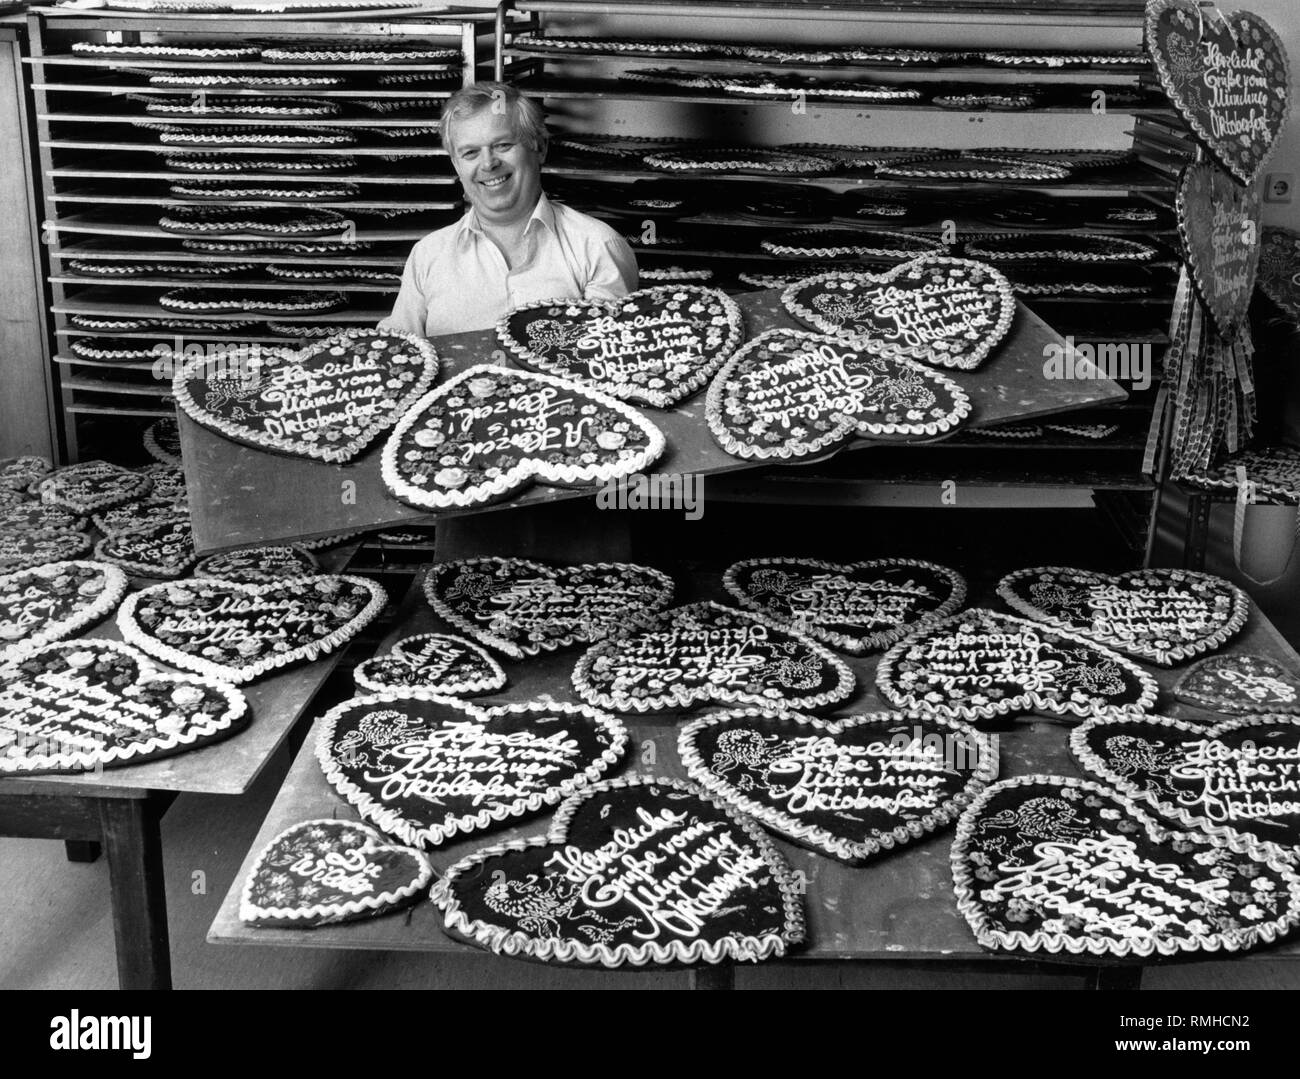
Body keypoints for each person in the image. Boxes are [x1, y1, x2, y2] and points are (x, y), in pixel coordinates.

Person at [378, 82, 638, 337]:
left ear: (540, 148)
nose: (488, 164)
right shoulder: (427, 256)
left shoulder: (598, 247)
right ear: (456, 165)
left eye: (503, 145)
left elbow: (606, 355)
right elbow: (399, 352)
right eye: (470, 153)